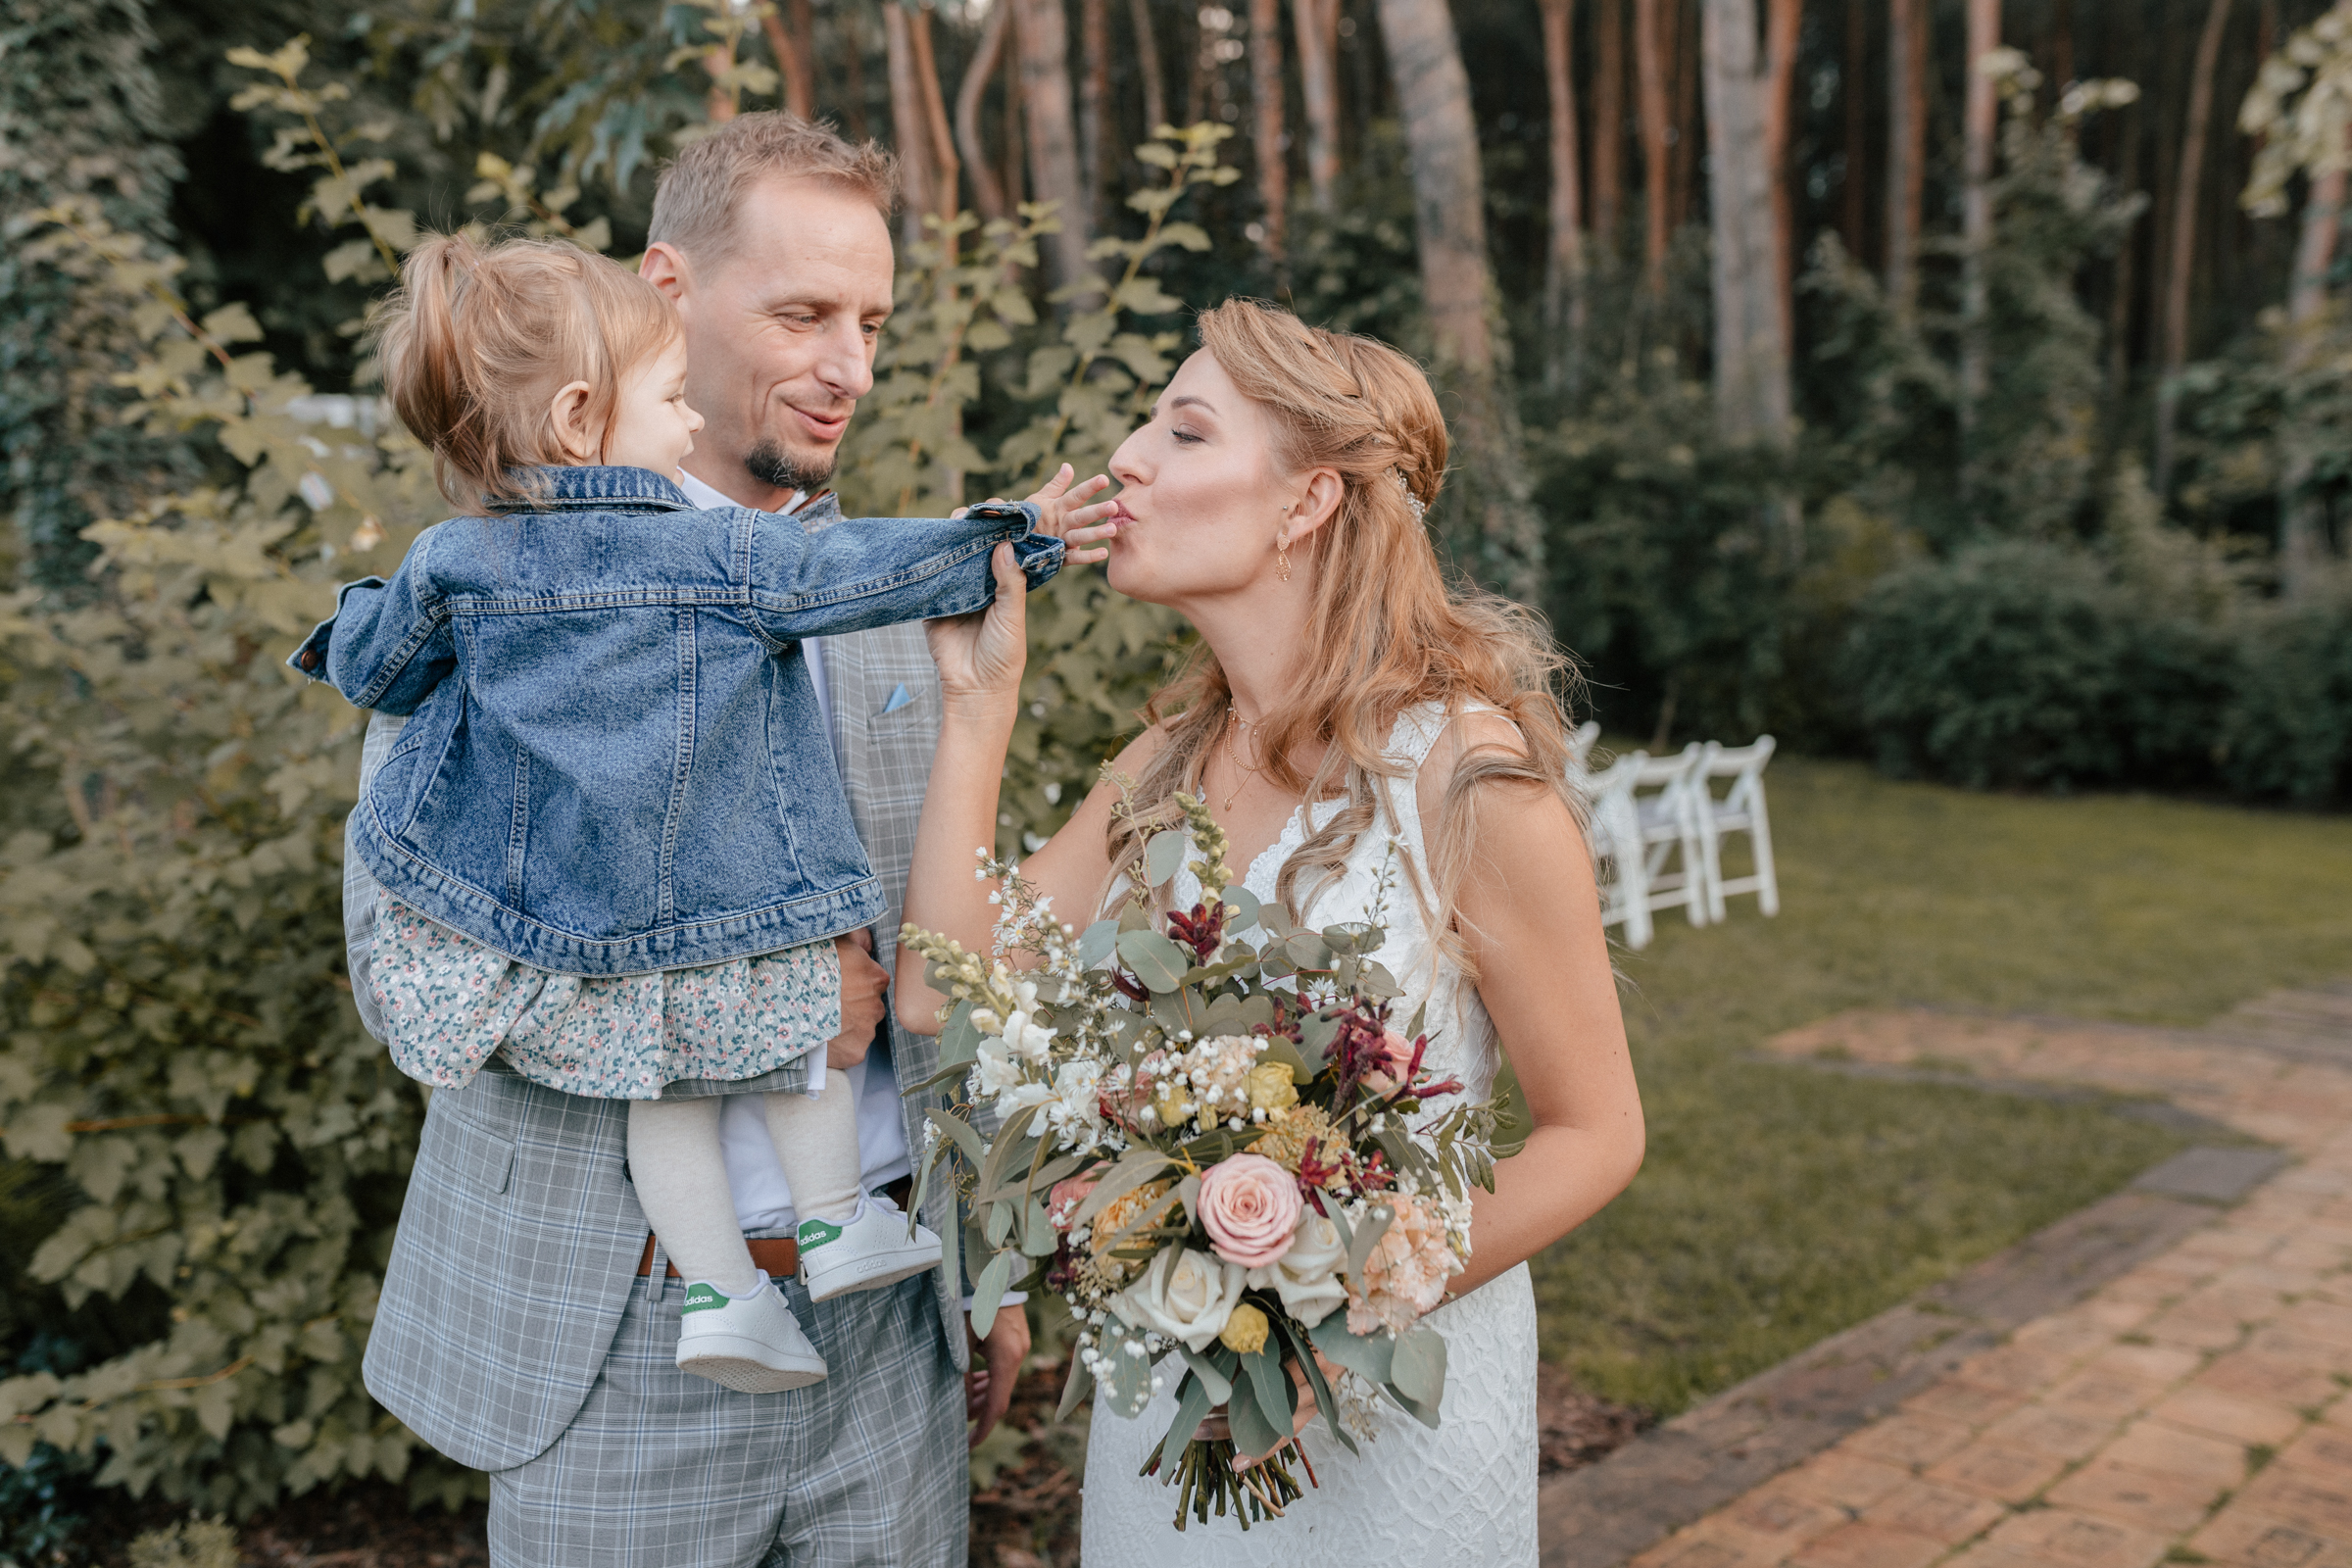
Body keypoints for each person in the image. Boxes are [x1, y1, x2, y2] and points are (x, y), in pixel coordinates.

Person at [344, 115, 1105, 1566]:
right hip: (621, 1343)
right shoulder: (504, 600)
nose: (851, 368)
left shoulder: (892, 597)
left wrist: (992, 1260)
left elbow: (957, 959)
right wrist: (768, 1003)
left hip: (895, 1323)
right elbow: (409, 984)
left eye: (873, 323)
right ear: (667, 291)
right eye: (804, 313)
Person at [895, 299, 1645, 1564]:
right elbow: (939, 993)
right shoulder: (1161, 766)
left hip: (1393, 1426)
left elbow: (1598, 1132)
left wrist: (1334, 1301)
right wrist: (979, 704)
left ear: (1307, 503)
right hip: (1173, 1407)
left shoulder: (1462, 776)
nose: (1127, 458)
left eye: (1184, 432)